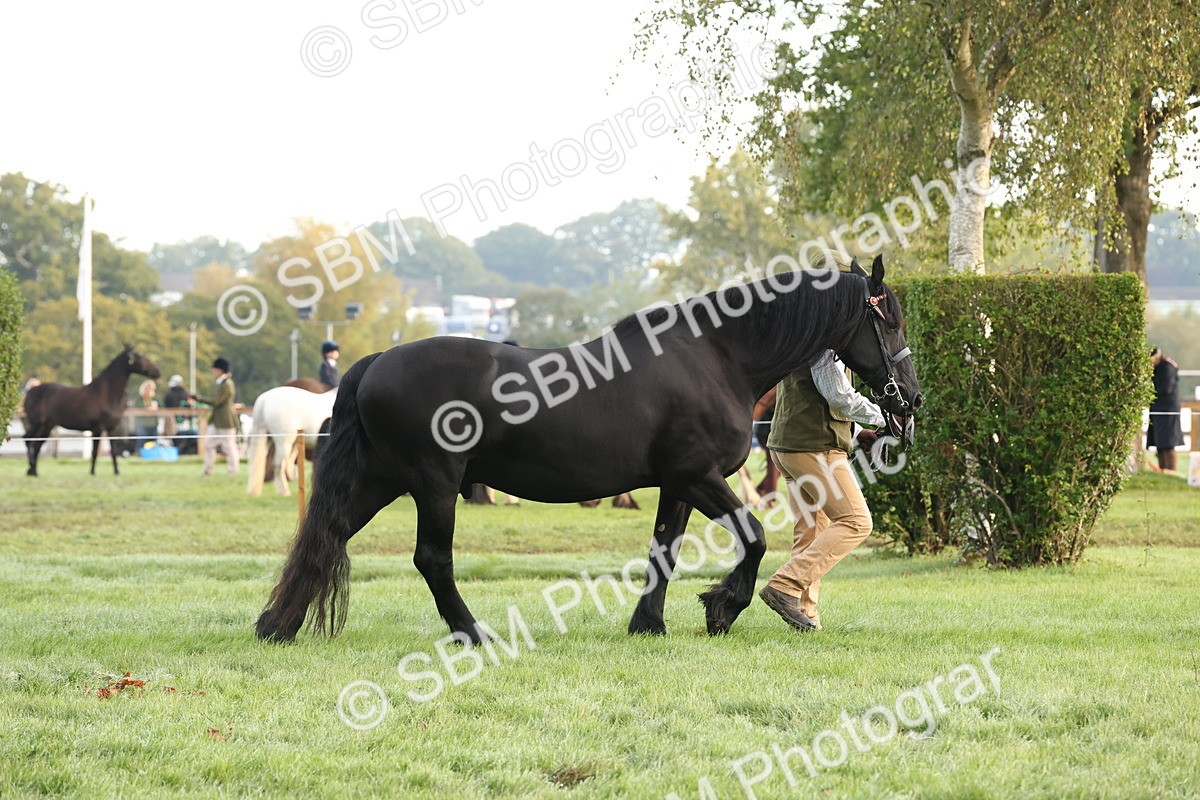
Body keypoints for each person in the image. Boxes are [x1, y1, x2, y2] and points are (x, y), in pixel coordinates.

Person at [758, 250, 887, 632]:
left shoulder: (802, 324)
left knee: (811, 532)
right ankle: (783, 586)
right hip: (812, 446)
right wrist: (883, 416)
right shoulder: (821, 331)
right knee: (856, 521)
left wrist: (856, 429)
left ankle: (806, 615)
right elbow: (838, 393)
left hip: (789, 444)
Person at [191, 357, 239, 475]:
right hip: (216, 420)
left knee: (229, 446)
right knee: (208, 444)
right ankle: (208, 469)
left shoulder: (227, 384)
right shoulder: (220, 383)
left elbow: (217, 402)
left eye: (215, 369)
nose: (213, 371)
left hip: (225, 419)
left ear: (220, 370)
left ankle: (233, 470)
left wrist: (199, 398)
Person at [1147, 346, 1183, 472]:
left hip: (1167, 409)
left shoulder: (1167, 367)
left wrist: (1149, 394)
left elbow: (1166, 389)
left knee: (1168, 442)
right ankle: (1163, 469)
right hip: (1158, 408)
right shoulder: (1157, 368)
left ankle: (1171, 470)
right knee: (1160, 442)